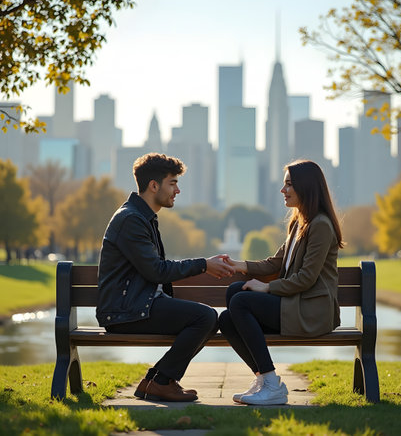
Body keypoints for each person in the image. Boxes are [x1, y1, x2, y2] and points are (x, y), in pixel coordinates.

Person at [96, 153, 233, 402]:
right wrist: (203, 264)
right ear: (154, 185)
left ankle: (158, 380)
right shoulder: (131, 220)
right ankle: (160, 382)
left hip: (135, 305)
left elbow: (153, 270)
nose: (178, 190)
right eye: (173, 183)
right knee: (205, 316)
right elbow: (156, 271)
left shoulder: (141, 216)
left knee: (209, 319)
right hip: (124, 311)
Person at [219, 159, 344, 406]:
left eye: (288, 184)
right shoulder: (299, 222)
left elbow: (307, 278)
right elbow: (275, 264)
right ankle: (265, 379)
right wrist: (239, 265)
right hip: (293, 303)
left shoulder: (320, 225)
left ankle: (271, 384)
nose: (282, 190)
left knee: (241, 302)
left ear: (305, 187)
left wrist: (266, 287)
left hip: (310, 309)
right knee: (228, 314)